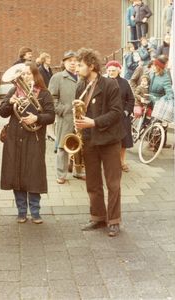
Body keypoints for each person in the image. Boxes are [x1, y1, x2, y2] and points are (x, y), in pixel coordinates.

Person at [74, 48, 126, 236]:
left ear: (91, 65)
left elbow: (116, 113)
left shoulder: (110, 85)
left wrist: (94, 122)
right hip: (88, 140)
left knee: (113, 183)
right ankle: (97, 217)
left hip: (109, 140)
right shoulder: (80, 86)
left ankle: (113, 220)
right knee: (93, 183)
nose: (76, 68)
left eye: (80, 65)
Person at [0, 62, 55, 223]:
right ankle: (21, 210)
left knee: (33, 174)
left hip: (34, 139)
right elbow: (1, 112)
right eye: (22, 74)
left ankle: (35, 211)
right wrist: (10, 103)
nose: (25, 76)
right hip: (14, 138)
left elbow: (51, 115)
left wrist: (37, 118)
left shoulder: (43, 94)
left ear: (36, 75)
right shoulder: (13, 91)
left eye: (28, 73)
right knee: (16, 173)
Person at [48, 50, 86, 184]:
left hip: (81, 119)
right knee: (64, 147)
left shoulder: (83, 77)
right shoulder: (57, 77)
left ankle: (79, 171)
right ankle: (61, 174)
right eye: (69, 61)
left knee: (80, 145)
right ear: (64, 63)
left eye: (75, 61)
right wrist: (63, 110)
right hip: (65, 118)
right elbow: (52, 99)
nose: (73, 64)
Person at [106, 61, 135, 173]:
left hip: (122, 116)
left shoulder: (124, 83)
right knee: (109, 140)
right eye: (109, 71)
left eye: (113, 70)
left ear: (118, 70)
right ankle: (111, 162)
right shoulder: (103, 82)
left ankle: (123, 162)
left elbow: (131, 99)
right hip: (108, 115)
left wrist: (127, 112)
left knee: (124, 140)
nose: (111, 72)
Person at [149, 58, 174, 148]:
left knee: (157, 122)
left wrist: (171, 98)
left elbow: (168, 88)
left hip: (158, 101)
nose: (153, 67)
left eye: (155, 66)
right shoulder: (151, 73)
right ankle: (149, 139)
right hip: (148, 98)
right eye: (152, 65)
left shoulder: (165, 76)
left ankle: (157, 144)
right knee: (148, 121)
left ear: (159, 67)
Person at [38, 53, 55, 141]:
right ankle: (47, 133)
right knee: (44, 113)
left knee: (49, 112)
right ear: (44, 59)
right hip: (44, 93)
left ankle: (50, 133)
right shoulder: (40, 69)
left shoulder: (49, 69)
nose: (50, 60)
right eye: (48, 58)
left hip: (49, 92)